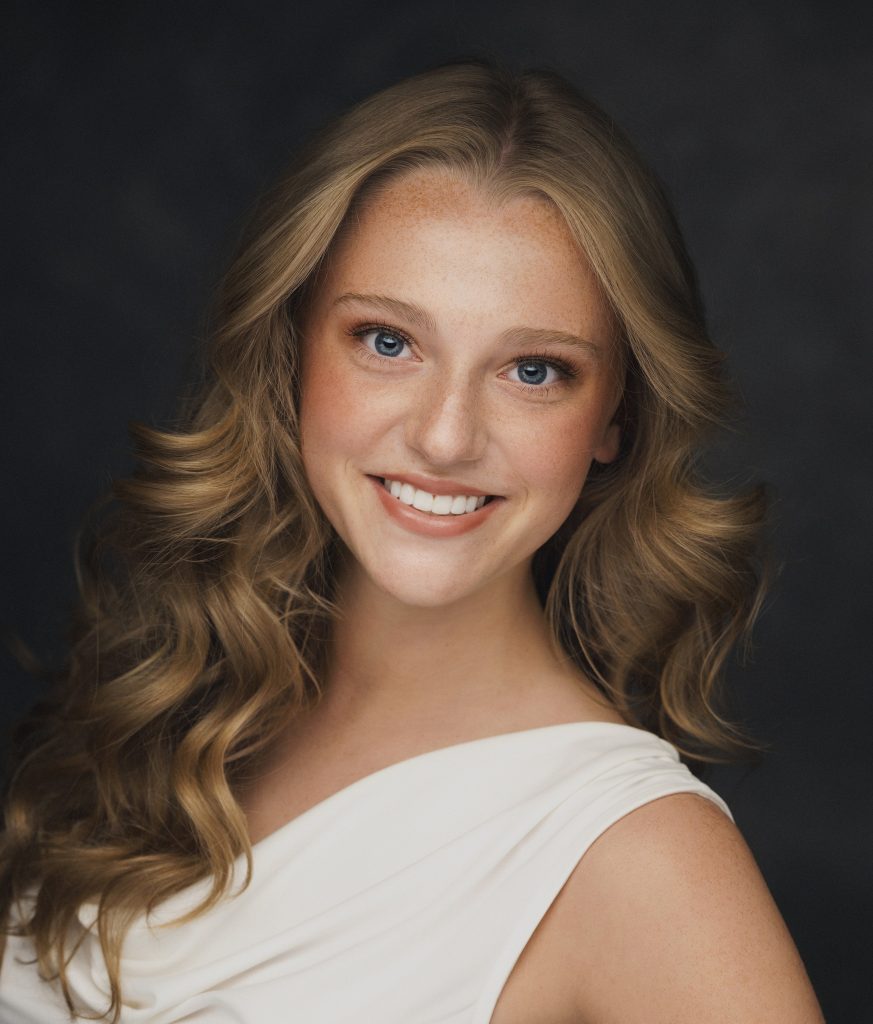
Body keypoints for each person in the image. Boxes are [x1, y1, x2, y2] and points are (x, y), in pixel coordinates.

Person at [0, 57, 824, 1023]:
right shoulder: (174, 701)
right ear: (292, 349)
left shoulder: (639, 858)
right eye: (388, 342)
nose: (444, 437)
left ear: (615, 415)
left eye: (532, 369)